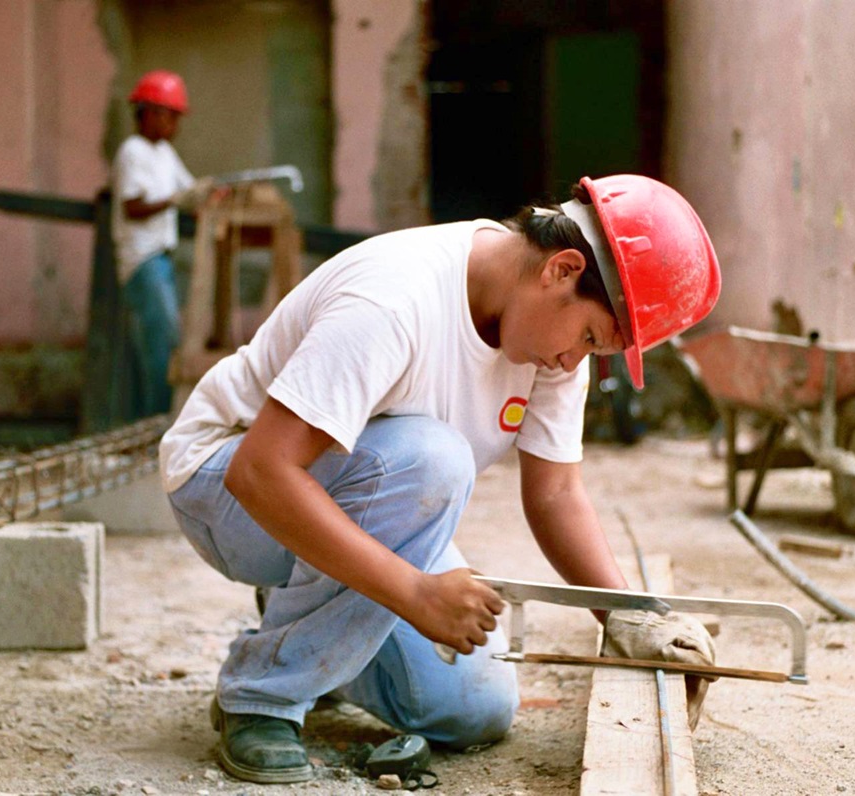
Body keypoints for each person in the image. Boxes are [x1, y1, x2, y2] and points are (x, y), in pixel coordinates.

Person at [159, 174, 722, 783]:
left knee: (474, 707)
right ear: (561, 269)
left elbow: (556, 493)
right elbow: (260, 472)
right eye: (587, 338)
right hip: (225, 487)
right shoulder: (395, 300)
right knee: (436, 459)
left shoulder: (553, 342)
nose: (573, 362)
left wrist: (629, 616)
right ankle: (261, 695)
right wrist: (415, 593)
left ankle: (306, 620)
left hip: (346, 498)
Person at [111, 70, 213, 417]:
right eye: (171, 116)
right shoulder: (133, 151)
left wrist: (210, 196)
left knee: (163, 341)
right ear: (150, 112)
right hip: (143, 260)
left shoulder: (164, 152)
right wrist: (177, 199)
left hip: (161, 260)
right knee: (161, 344)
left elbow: (189, 192)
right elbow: (133, 206)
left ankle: (158, 421)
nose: (175, 126)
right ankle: (155, 424)